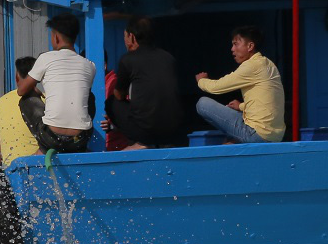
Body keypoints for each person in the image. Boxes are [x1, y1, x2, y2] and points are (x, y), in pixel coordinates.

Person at [18, 13, 96, 153]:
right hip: (80, 138)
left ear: (56, 37)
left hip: (51, 137)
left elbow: (21, 90)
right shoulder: (89, 65)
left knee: (26, 99)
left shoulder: (46, 58)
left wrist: (34, 89)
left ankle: (43, 148)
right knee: (89, 96)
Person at [195, 24, 286, 143]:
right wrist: (241, 106)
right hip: (274, 136)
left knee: (202, 104)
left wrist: (202, 80)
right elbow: (267, 101)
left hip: (257, 134)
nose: (232, 49)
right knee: (235, 121)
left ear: (250, 46)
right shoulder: (268, 64)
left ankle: (239, 139)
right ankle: (236, 139)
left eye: (236, 44)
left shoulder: (251, 66)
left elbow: (217, 87)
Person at [102, 16, 183, 149]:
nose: (124, 40)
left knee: (111, 102)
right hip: (173, 131)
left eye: (125, 36)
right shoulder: (168, 58)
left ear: (132, 37)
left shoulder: (128, 60)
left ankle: (138, 143)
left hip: (145, 133)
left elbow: (118, 96)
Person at [0, 58, 42, 166]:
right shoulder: (46, 101)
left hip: (11, 169)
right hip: (37, 166)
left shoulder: (0, 102)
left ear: (17, 77)